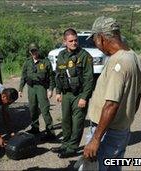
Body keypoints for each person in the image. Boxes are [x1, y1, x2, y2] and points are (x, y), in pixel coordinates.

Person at [83, 16, 141, 171]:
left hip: (107, 131)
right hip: (121, 129)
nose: (96, 45)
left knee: (96, 167)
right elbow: (137, 96)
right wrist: (127, 120)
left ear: (101, 38)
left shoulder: (119, 62)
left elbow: (111, 104)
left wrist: (96, 139)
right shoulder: (135, 57)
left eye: (95, 40)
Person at [51, 28, 94, 158]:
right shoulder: (62, 55)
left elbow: (89, 78)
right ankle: (65, 144)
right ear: (65, 42)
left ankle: (72, 148)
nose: (74, 43)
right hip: (66, 94)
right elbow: (58, 74)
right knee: (65, 121)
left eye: (75, 40)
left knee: (77, 122)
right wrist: (58, 91)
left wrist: (84, 97)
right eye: (71, 41)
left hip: (79, 95)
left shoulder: (85, 56)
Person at [18, 42, 56, 139]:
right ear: (30, 52)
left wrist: (50, 89)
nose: (34, 53)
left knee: (44, 109)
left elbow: (51, 77)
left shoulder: (45, 62)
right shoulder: (27, 62)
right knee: (33, 108)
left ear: (38, 50)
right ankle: (35, 128)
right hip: (31, 88)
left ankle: (50, 131)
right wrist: (20, 89)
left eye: (35, 50)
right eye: (32, 51)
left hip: (41, 87)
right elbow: (24, 76)